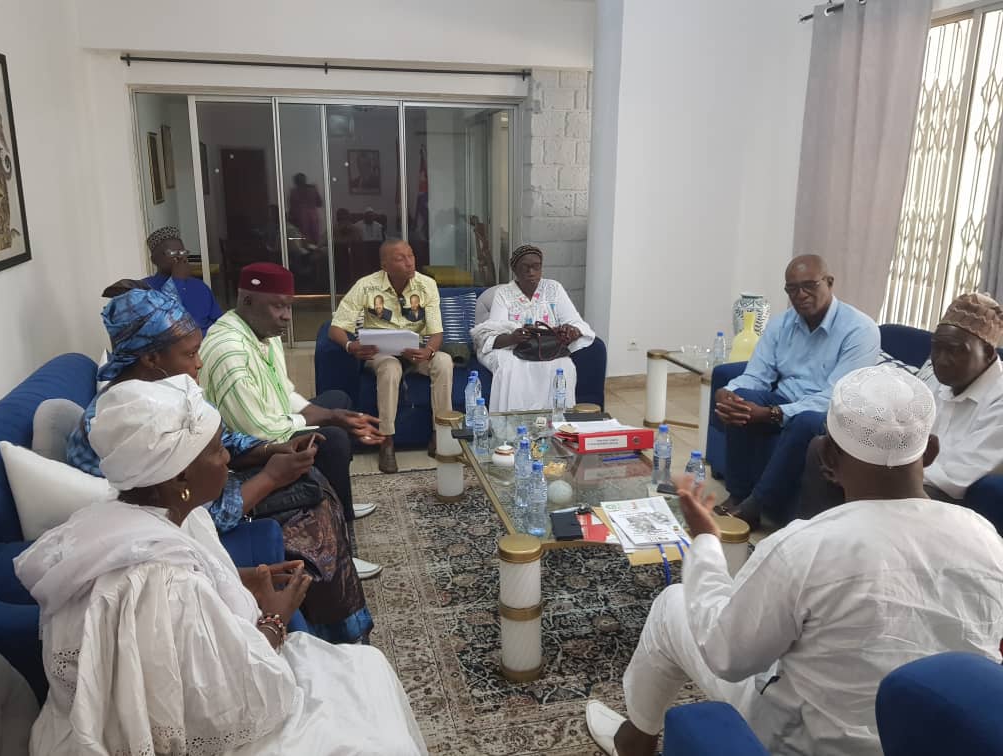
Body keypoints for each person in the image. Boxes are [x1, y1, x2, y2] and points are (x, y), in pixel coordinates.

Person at [586, 364, 1003, 756]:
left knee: (672, 605)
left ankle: (633, 741)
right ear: (930, 452)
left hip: (804, 741)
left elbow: (725, 655)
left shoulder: (806, 546)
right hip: (941, 739)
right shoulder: (986, 537)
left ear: (827, 459)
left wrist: (707, 542)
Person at [18, 376, 428, 755]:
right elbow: (219, 707)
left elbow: (184, 619)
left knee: (366, 670)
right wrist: (276, 619)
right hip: (202, 735)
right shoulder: (157, 579)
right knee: (375, 725)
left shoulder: (142, 513)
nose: (228, 457)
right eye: (216, 450)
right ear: (179, 477)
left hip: (205, 688)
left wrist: (241, 579)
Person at [67, 288, 377, 638]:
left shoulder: (168, 389)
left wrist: (271, 450)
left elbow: (224, 440)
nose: (199, 363)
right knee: (313, 513)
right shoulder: (126, 422)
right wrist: (271, 478)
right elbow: (187, 511)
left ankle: (344, 625)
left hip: (207, 491)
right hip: (193, 517)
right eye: (190, 354)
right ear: (151, 358)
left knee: (313, 481)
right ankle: (339, 632)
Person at [198, 262, 384, 518]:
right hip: (245, 450)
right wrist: (329, 419)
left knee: (338, 399)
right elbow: (259, 431)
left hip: (269, 422)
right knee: (333, 439)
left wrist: (331, 414)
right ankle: (343, 522)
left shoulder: (265, 332)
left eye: (289, 306)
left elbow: (283, 391)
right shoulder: (229, 351)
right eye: (278, 306)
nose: (287, 316)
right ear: (248, 300)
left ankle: (338, 502)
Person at [798, 292, 1003, 517]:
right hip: (905, 468)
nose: (941, 360)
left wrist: (880, 471)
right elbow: (897, 426)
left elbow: (958, 474)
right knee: (823, 450)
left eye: (955, 350)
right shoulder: (936, 377)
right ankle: (818, 531)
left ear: (987, 352)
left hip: (941, 492)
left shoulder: (999, 398)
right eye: (937, 347)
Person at [713, 254, 880, 529]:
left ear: (829, 282)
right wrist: (728, 392)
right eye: (792, 289)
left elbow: (835, 398)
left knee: (805, 421)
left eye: (809, 286)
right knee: (742, 400)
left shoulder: (860, 330)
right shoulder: (781, 324)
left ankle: (756, 505)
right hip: (785, 399)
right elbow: (757, 375)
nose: (800, 295)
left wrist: (772, 413)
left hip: (831, 413)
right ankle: (739, 494)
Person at [327, 239, 452, 472]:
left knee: (444, 361)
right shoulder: (366, 285)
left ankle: (440, 435)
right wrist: (351, 346)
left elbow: (437, 333)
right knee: (390, 367)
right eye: (400, 258)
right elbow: (335, 329)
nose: (409, 262)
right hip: (381, 353)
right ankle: (387, 440)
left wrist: (428, 351)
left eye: (411, 255)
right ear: (385, 265)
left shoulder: (427, 285)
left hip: (415, 351)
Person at [471, 244, 594, 413]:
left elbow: (575, 321)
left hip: (547, 348)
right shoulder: (504, 293)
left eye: (536, 267)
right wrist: (513, 338)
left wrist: (572, 331)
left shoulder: (553, 289)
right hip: (513, 349)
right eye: (525, 268)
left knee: (563, 365)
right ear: (515, 269)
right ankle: (512, 420)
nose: (531, 272)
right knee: (510, 366)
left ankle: (556, 421)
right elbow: (493, 333)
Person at [143, 226, 224, 334]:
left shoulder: (199, 286)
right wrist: (176, 281)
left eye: (183, 252)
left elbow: (219, 323)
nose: (180, 258)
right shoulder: (143, 288)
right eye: (172, 253)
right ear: (154, 260)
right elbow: (162, 325)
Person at [288, 172, 323, 245]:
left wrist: (291, 219)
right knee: (315, 239)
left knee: (304, 240)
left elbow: (292, 209)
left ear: (296, 182)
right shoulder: (312, 189)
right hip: (313, 216)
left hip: (301, 218)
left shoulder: (294, 192)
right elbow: (319, 203)